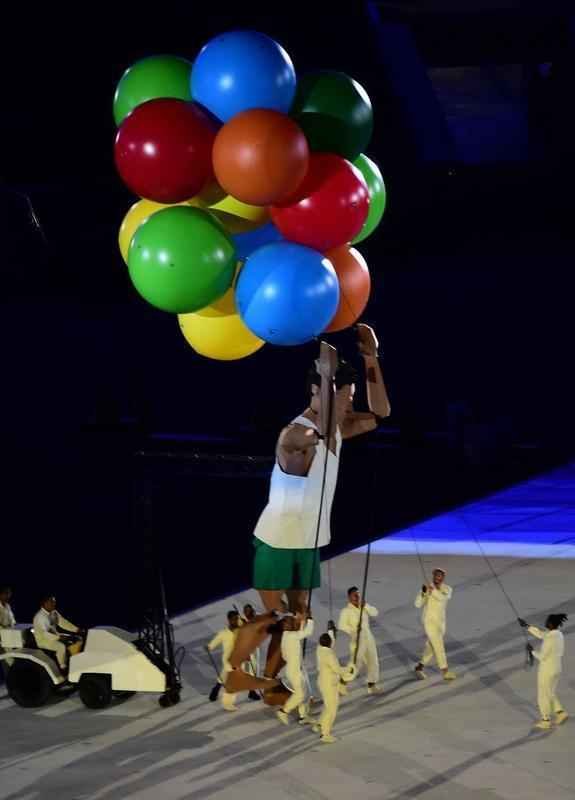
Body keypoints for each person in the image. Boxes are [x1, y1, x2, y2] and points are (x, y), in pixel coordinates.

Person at [252, 326, 391, 681]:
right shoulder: (294, 435)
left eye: (350, 399)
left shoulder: (336, 428)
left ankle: (283, 682)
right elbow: (320, 434)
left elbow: (380, 414)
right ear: (317, 392)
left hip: (307, 540)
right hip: (277, 541)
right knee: (281, 623)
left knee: (302, 619)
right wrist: (328, 374)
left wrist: (371, 359)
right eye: (344, 399)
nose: (349, 407)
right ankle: (264, 682)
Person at [519, 613, 568, 730]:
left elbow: (542, 657)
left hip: (547, 670)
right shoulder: (558, 634)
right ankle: (560, 713)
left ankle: (545, 720)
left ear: (551, 624)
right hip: (557, 668)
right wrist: (527, 626)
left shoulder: (550, 639)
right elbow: (541, 634)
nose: (545, 622)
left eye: (547, 621)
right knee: (550, 692)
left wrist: (532, 651)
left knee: (543, 695)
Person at [313, 631, 356, 743]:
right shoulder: (329, 654)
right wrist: (349, 669)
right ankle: (325, 734)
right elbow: (337, 669)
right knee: (332, 709)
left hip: (322, 681)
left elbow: (328, 643)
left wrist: (330, 632)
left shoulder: (319, 650)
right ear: (330, 643)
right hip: (329, 684)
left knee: (328, 705)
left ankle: (319, 724)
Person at [338, 586, 382, 694]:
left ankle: (371, 684)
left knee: (373, 661)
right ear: (349, 597)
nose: (357, 597)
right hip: (357, 639)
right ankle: (343, 682)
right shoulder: (346, 611)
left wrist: (366, 605)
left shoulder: (364, 607)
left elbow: (375, 613)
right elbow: (341, 625)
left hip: (368, 636)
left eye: (358, 594)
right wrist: (353, 631)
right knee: (356, 664)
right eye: (354, 595)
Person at [414, 568, 456, 681]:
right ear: (433, 576)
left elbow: (443, 598)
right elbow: (417, 604)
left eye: (439, 575)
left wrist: (433, 591)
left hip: (441, 623)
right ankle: (445, 671)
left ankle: (419, 667)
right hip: (429, 622)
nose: (437, 577)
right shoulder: (428, 588)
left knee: (431, 646)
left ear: (443, 577)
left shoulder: (447, 589)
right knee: (438, 645)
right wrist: (423, 593)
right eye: (436, 575)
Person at [276, 614, 314, 726]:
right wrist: (310, 619)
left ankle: (303, 716)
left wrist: (302, 622)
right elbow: (307, 632)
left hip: (296, 668)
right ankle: (284, 711)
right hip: (294, 670)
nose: (292, 623)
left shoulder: (286, 637)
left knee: (304, 693)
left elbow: (285, 656)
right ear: (285, 625)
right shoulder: (291, 636)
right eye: (290, 622)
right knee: (300, 694)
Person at [32, 595, 83, 672]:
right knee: (61, 646)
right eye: (51, 602)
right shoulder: (39, 617)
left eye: (54, 602)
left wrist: (77, 630)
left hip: (55, 636)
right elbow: (45, 633)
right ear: (44, 603)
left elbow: (63, 622)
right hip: (43, 640)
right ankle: (63, 668)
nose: (54, 604)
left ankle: (74, 661)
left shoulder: (54, 612)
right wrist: (59, 638)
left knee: (77, 638)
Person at [206, 610, 241, 712]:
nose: (236, 621)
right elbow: (216, 640)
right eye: (234, 619)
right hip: (228, 660)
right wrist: (209, 647)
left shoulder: (241, 631)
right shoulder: (224, 633)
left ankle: (215, 690)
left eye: (237, 618)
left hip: (239, 658)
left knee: (224, 675)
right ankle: (227, 703)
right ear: (229, 620)